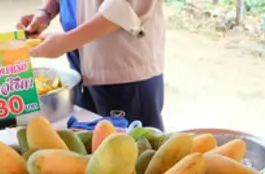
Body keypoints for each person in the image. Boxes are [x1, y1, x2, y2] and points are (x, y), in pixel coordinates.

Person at [18, 0, 165, 130]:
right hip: (81, 65)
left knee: (136, 148)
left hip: (122, 71)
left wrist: (68, 41)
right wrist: (46, 12)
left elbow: (124, 5)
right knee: (92, 144)